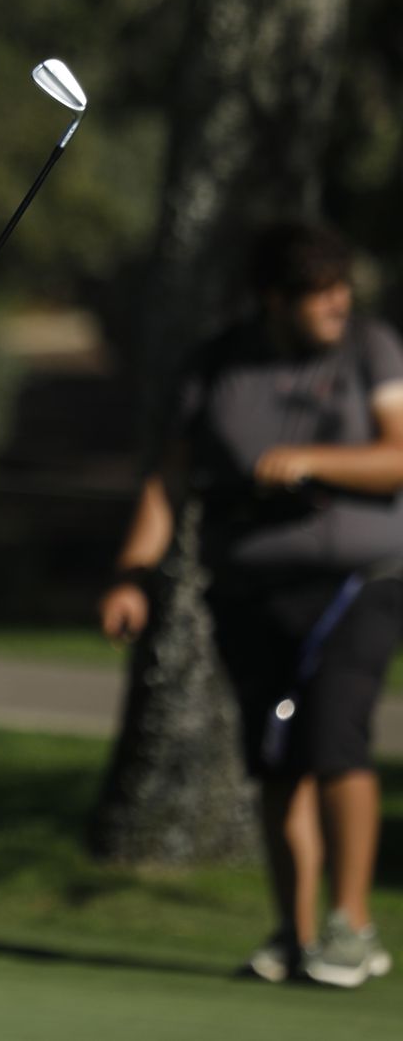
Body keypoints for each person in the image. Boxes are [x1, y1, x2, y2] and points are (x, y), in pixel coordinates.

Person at [99, 221, 403, 988]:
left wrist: (313, 460)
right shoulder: (216, 365)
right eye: (318, 295)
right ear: (275, 299)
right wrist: (134, 575)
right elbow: (168, 482)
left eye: (342, 290)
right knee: (275, 757)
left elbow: (398, 456)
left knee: (336, 737)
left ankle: (353, 928)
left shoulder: (370, 348)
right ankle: (294, 933)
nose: (338, 304)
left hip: (359, 579)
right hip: (249, 587)